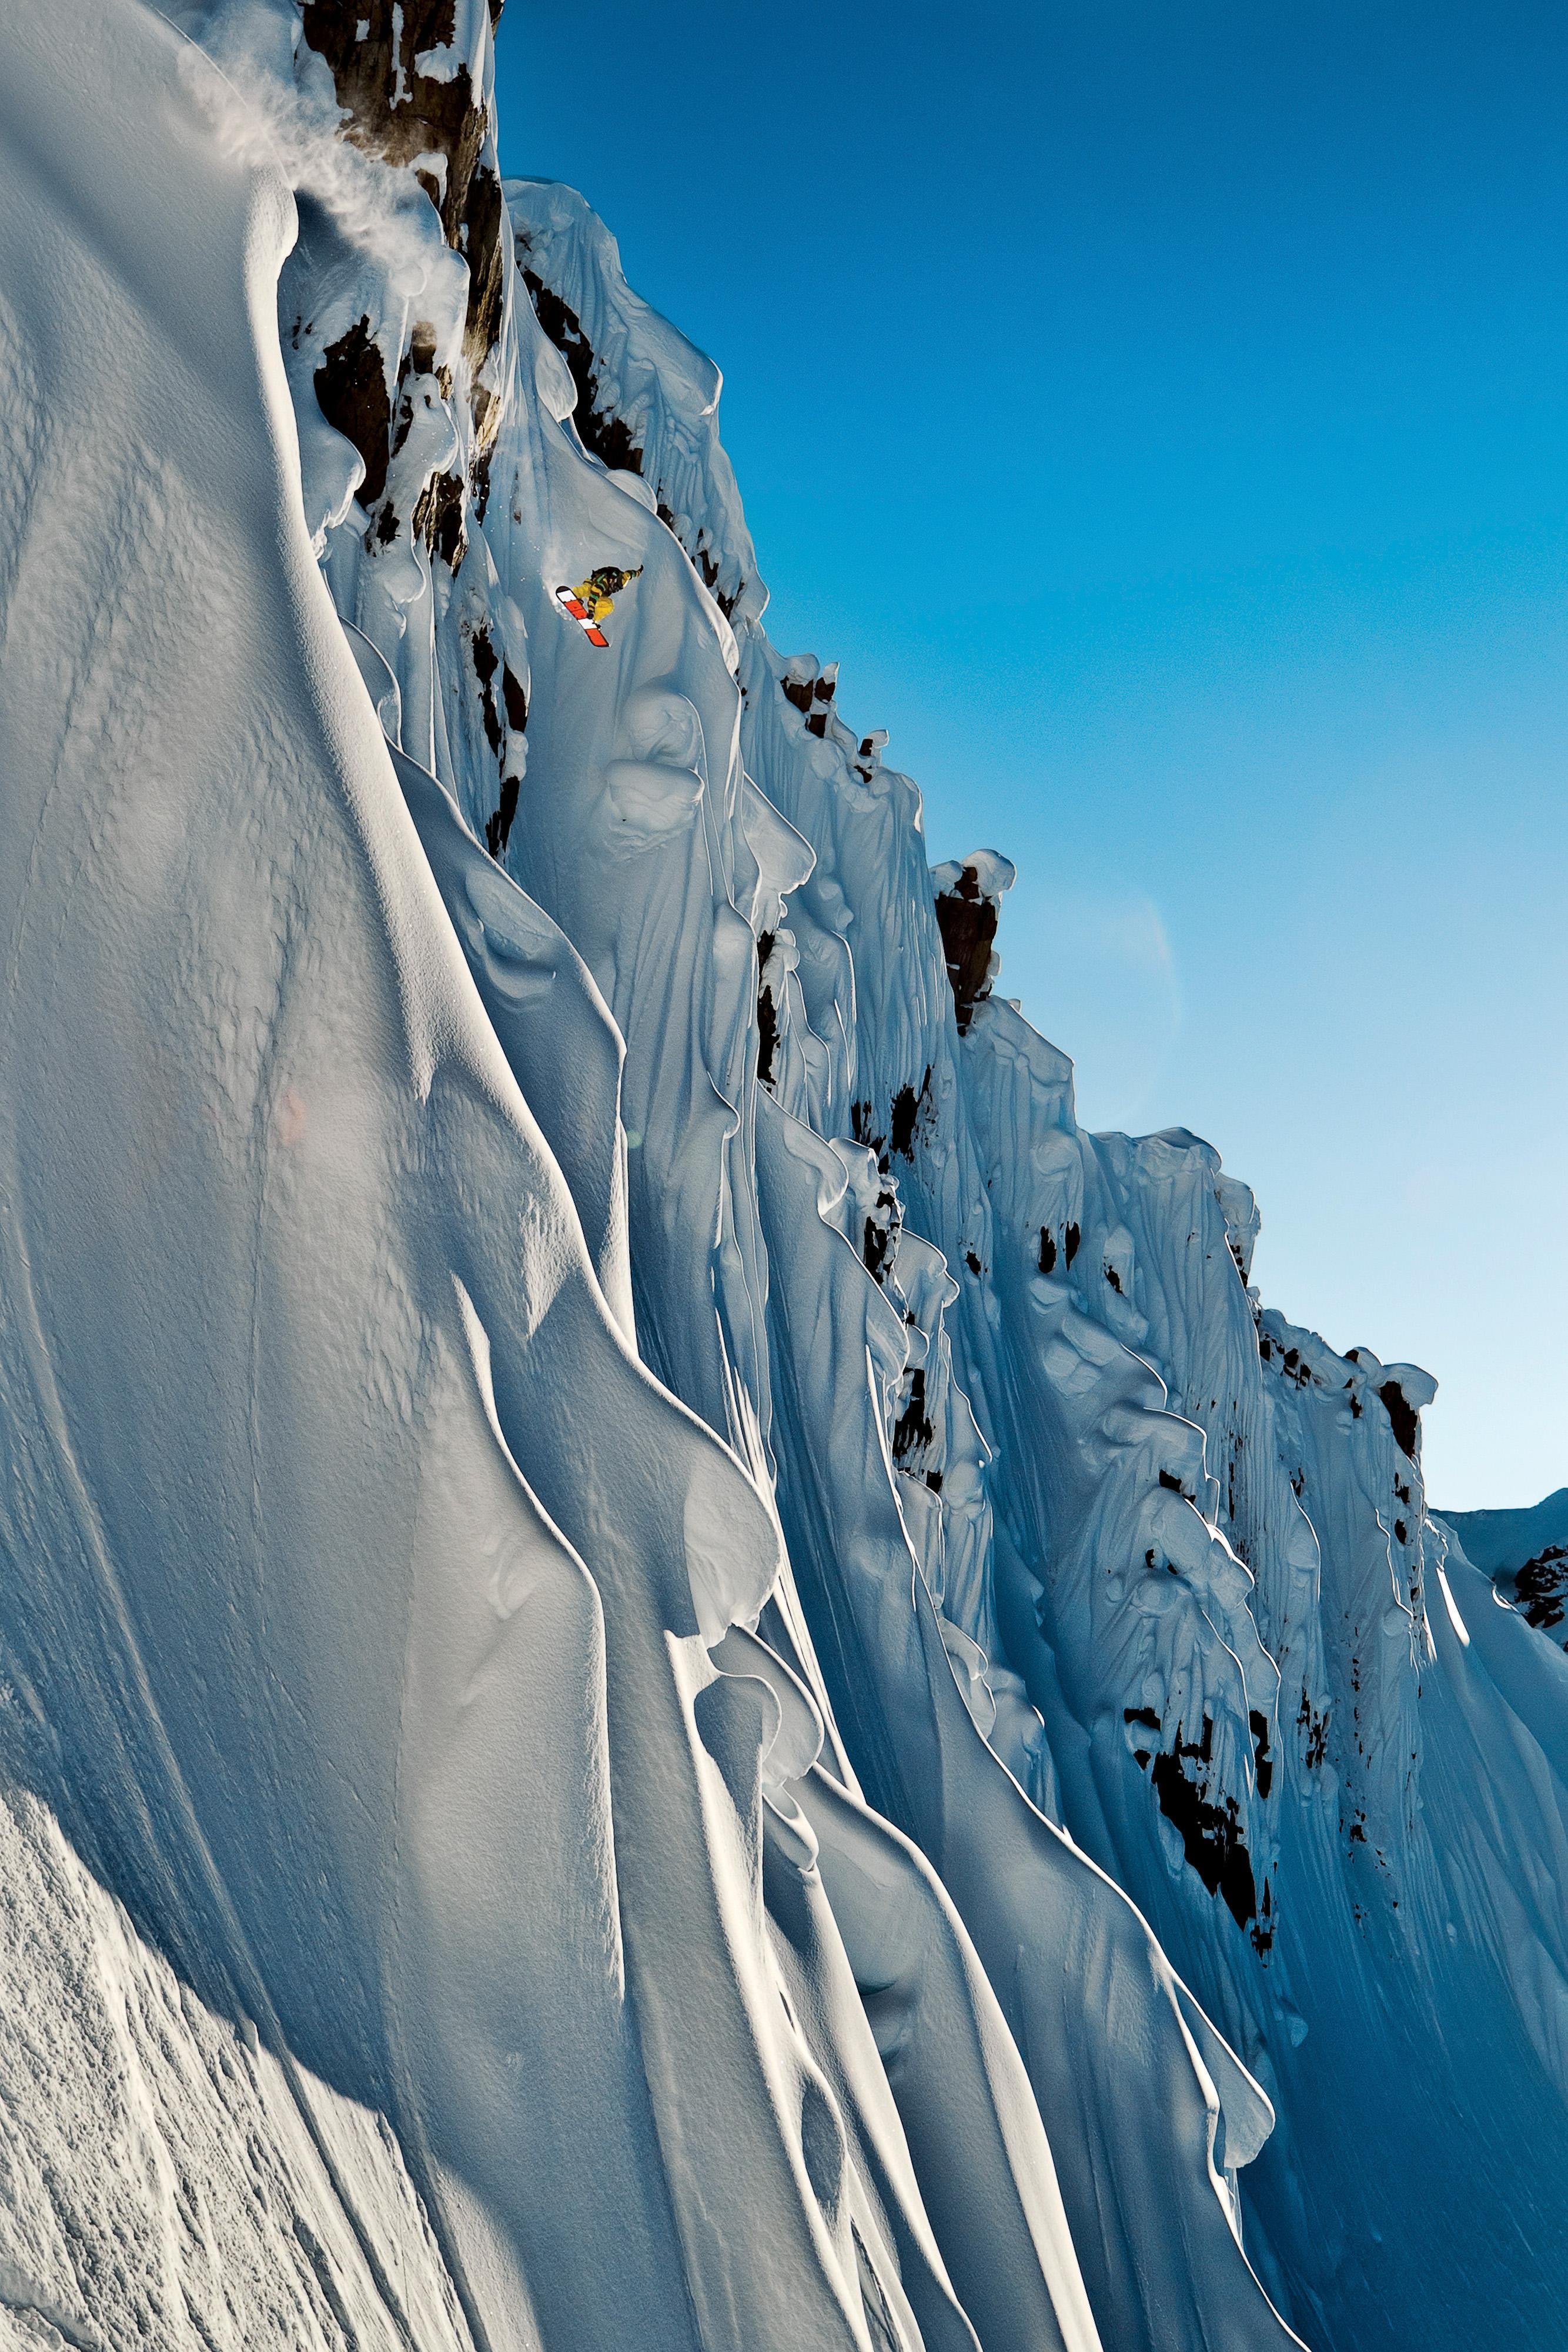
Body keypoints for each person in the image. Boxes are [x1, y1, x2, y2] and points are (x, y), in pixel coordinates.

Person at [570, 564, 642, 623]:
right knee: (585, 589)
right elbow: (594, 597)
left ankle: (594, 618)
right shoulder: (604, 583)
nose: (615, 590)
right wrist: (591, 610)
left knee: (609, 605)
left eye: (618, 589)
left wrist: (638, 572)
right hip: (592, 586)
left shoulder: (624, 577)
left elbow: (630, 574)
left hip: (600, 595)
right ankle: (574, 595)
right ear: (613, 581)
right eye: (615, 587)